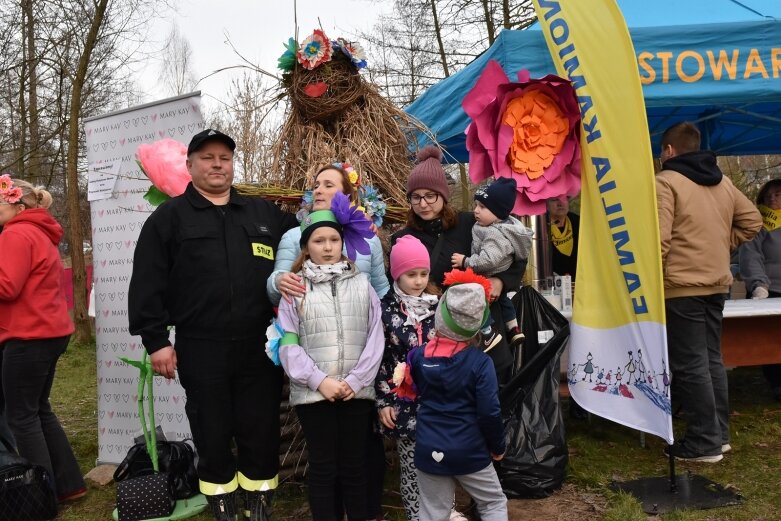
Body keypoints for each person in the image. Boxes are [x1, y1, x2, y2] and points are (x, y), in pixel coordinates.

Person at [128, 129, 298, 521]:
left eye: (224, 157)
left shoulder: (264, 214)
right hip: (202, 346)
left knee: (261, 430)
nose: (217, 163)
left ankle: (258, 506)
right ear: (190, 166)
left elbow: (313, 236)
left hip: (260, 344)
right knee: (212, 430)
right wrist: (156, 341)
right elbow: (147, 284)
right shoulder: (168, 218)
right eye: (207, 157)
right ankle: (222, 504)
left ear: (233, 164)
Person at [266, 163, 388, 520]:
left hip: (355, 391)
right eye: (319, 241)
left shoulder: (361, 286)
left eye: (334, 239)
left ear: (343, 242)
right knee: (323, 468)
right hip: (313, 395)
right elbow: (288, 344)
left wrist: (353, 381)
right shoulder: (295, 291)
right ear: (306, 246)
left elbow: (375, 338)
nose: (328, 246)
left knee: (354, 466)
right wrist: (320, 381)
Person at [656, 121, 762, 463]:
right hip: (717, 284)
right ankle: (719, 435)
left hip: (680, 286)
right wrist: (719, 246)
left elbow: (658, 241)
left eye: (661, 151)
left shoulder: (665, 182)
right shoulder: (724, 182)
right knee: (712, 358)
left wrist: (648, 282)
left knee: (690, 364)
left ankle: (704, 443)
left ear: (669, 151)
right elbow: (753, 221)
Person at [391, 145, 524, 384]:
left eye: (430, 195)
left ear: (443, 195)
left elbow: (512, 255)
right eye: (416, 197)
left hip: (484, 333)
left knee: (491, 402)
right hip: (434, 336)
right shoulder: (402, 239)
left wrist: (500, 281)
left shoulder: (469, 224)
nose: (423, 203)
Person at [0, 176, 86, 503]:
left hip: (27, 335)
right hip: (49, 332)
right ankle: (69, 485)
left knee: (21, 416)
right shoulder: (39, 232)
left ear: (17, 205)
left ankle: (40, 496)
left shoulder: (16, 233)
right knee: (39, 410)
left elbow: (7, 286)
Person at [402, 271, 507, 521]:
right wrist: (497, 446)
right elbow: (489, 412)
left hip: (429, 448)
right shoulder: (481, 363)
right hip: (469, 448)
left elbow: (415, 390)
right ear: (477, 322)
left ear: (440, 315)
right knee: (493, 502)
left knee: (432, 511)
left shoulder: (417, 357)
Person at [375, 235, 439, 521]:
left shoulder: (439, 307)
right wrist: (383, 401)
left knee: (442, 462)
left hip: (440, 403)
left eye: (423, 274)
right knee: (412, 466)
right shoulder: (385, 311)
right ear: (397, 273)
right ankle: (417, 516)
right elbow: (379, 360)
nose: (418, 281)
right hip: (404, 403)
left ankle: (442, 511)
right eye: (410, 274)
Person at [267, 164, 389, 304]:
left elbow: (380, 289)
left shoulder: (369, 239)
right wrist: (278, 282)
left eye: (328, 185)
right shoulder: (294, 237)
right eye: (316, 186)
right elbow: (275, 295)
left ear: (347, 195)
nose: (318, 191)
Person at [450, 177, 532, 351]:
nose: (476, 211)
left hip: (486, 273)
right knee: (503, 301)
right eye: (476, 206)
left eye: (482, 207)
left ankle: (488, 333)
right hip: (494, 275)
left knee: (477, 299)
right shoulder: (498, 226)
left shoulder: (494, 233)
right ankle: (514, 328)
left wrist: (465, 261)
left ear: (498, 213)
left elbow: (488, 260)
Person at [739, 178, 781, 401]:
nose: (772, 199)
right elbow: (751, 257)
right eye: (767, 196)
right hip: (768, 291)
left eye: (777, 194)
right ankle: (777, 384)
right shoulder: (759, 224)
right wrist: (759, 285)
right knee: (771, 341)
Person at [547, 195, 579, 281]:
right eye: (554, 200)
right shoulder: (540, 226)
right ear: (546, 204)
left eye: (564, 199)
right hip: (552, 283)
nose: (560, 204)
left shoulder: (579, 222)